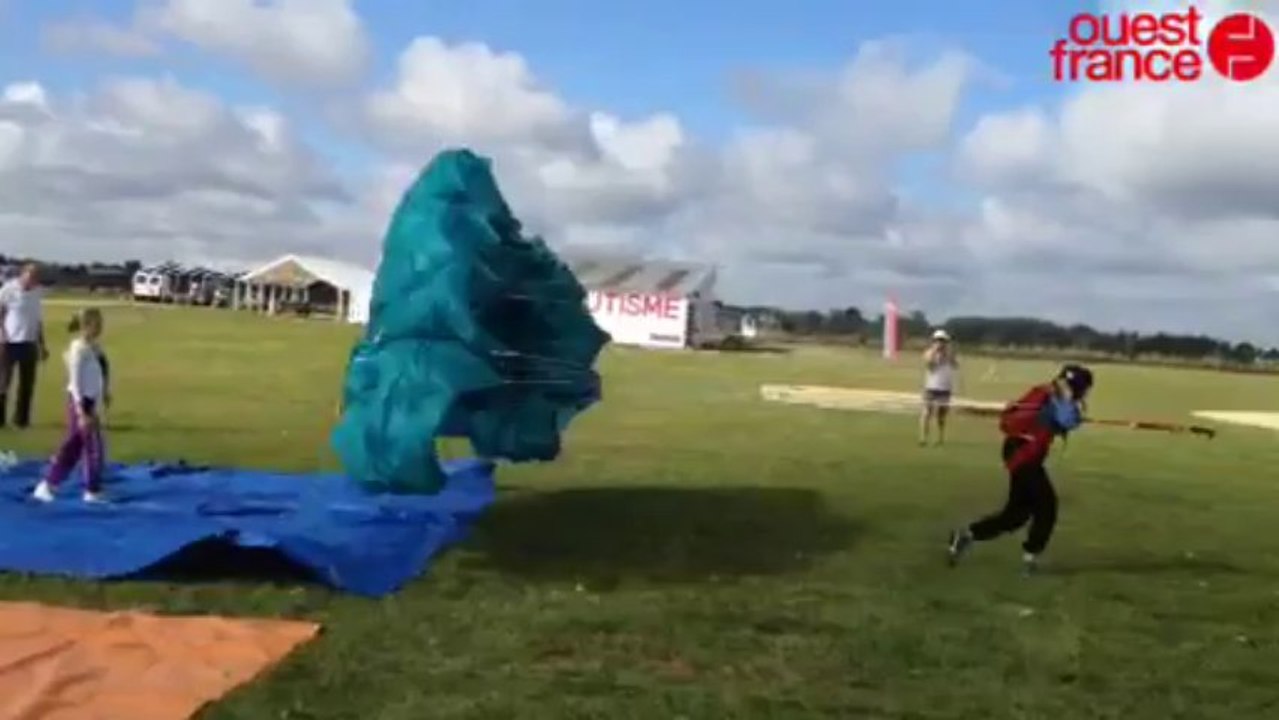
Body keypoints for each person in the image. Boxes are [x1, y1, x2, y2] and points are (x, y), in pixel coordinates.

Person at [946, 364, 1094, 575]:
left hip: (1022, 451)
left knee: (1016, 514)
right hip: (1024, 452)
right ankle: (1030, 557)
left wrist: (1074, 408)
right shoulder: (1052, 397)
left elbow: (1066, 421)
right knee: (1047, 505)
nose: (1086, 393)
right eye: (1085, 388)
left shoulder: (1048, 392)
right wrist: (1072, 404)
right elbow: (1067, 421)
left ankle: (967, 536)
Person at [32, 308, 111, 504]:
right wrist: (81, 411)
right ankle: (91, 490)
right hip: (82, 403)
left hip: (90, 402)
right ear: (87, 325)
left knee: (74, 447)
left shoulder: (93, 347)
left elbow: (99, 372)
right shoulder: (78, 348)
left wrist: (104, 393)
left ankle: (49, 484)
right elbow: (75, 382)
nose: (100, 327)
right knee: (93, 447)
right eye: (96, 323)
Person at [0, 264, 48, 429]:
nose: (33, 281)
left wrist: (42, 344)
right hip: (9, 343)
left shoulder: (37, 293)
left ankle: (21, 420)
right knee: (3, 383)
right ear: (23, 275)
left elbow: (38, 320)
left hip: (29, 342)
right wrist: (3, 336)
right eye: (30, 277)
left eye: (36, 278)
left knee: (27, 384)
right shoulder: (9, 289)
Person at [919, 329, 959, 446]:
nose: (940, 343)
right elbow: (930, 366)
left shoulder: (949, 354)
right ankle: (923, 438)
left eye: (943, 341)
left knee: (941, 415)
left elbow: (955, 365)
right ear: (934, 341)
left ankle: (940, 438)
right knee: (926, 412)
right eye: (938, 340)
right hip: (931, 387)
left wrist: (948, 355)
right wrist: (934, 353)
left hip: (945, 388)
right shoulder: (928, 353)